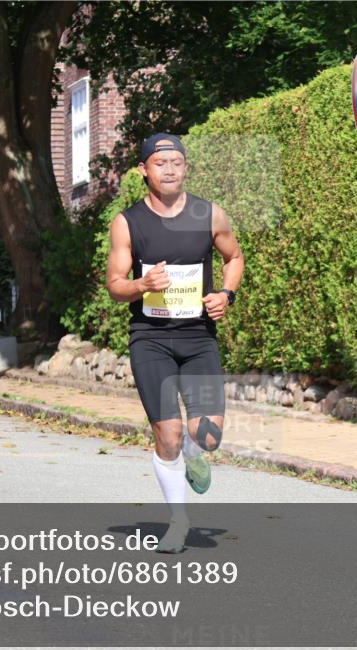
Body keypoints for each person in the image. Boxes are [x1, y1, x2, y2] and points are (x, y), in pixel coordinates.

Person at [106, 133, 244, 553]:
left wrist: (226, 295)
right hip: (151, 339)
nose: (169, 169)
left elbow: (233, 258)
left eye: (177, 162)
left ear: (186, 168)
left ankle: (192, 446)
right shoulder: (128, 222)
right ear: (144, 170)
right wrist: (142, 284)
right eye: (160, 162)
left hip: (198, 336)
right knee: (165, 433)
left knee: (208, 437)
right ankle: (178, 521)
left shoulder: (208, 214)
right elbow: (114, 286)